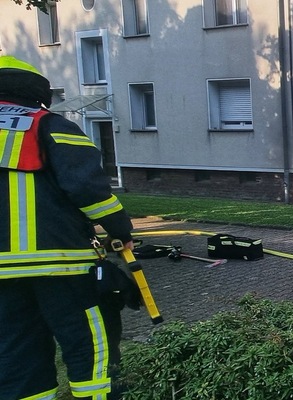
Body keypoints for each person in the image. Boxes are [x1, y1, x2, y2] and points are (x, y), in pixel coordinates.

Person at [0, 56, 134, 399]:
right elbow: (87, 189)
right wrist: (119, 228)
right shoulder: (47, 125)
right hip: (60, 264)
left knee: (17, 354)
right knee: (88, 345)